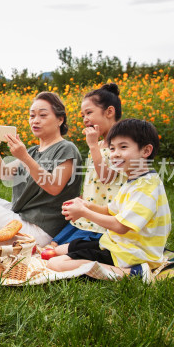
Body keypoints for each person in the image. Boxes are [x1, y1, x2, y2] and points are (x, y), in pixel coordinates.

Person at [0, 92, 82, 246]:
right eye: (32, 116)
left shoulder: (66, 149)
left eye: (43, 115)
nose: (35, 121)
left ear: (60, 119)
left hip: (41, 232)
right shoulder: (33, 151)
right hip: (22, 218)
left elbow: (54, 187)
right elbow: (3, 174)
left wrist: (24, 157)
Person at [46, 119, 171, 283]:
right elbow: (110, 211)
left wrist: (85, 212)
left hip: (133, 253)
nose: (115, 154)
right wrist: (87, 205)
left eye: (123, 147)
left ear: (146, 151)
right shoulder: (133, 180)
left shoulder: (146, 188)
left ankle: (133, 273)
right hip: (117, 245)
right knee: (61, 250)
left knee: (57, 264)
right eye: (112, 148)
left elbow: (121, 226)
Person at [49, 83, 125, 245]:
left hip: (104, 218)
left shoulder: (121, 145)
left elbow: (106, 177)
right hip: (89, 212)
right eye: (83, 115)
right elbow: (94, 180)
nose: (85, 119)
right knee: (53, 245)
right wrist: (81, 199)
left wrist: (92, 145)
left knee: (64, 251)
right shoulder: (97, 145)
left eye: (89, 113)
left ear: (109, 112)